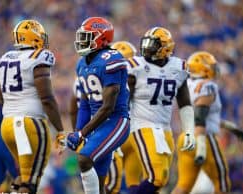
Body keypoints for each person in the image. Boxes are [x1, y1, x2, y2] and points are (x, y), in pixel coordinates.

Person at [0, 19, 66, 194]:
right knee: (30, 183)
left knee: (21, 176)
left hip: (7, 126)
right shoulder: (38, 57)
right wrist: (60, 130)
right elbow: (47, 98)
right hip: (29, 124)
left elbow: (1, 98)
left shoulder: (4, 59)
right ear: (33, 37)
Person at [126, 27, 196, 194]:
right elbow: (125, 100)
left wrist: (189, 131)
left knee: (161, 180)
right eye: (146, 42)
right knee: (156, 177)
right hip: (141, 124)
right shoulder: (136, 66)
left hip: (165, 128)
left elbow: (184, 102)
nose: (147, 47)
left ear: (165, 47)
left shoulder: (178, 67)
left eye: (152, 44)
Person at [66, 17, 130, 194]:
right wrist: (78, 131)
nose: (81, 41)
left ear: (102, 39)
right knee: (100, 185)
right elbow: (85, 103)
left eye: (87, 37)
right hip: (98, 126)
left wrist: (81, 133)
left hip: (115, 121)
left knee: (84, 159)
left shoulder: (111, 59)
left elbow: (108, 107)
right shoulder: (82, 64)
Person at [171, 51, 231, 194]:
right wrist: (202, 144)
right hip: (203, 137)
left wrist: (229, 126)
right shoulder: (207, 85)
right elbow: (200, 115)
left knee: (183, 186)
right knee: (222, 183)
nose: (214, 70)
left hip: (185, 138)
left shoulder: (186, 85)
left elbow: (203, 115)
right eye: (211, 66)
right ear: (203, 68)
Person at [104, 41, 143, 194]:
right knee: (134, 181)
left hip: (114, 132)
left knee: (110, 182)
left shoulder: (103, 77)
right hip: (136, 133)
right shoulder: (143, 75)